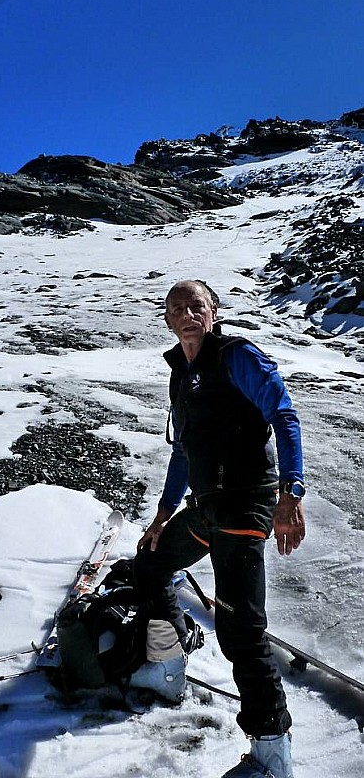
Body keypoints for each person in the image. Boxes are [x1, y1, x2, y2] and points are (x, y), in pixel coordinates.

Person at [134, 279, 306, 778]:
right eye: (177, 308)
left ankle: (272, 754)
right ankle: (168, 667)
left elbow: (284, 415)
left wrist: (291, 495)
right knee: (151, 562)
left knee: (240, 631)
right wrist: (163, 514)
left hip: (245, 505)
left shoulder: (237, 356)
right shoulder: (181, 372)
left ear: (214, 311)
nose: (187, 314)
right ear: (167, 319)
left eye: (196, 306)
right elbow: (183, 451)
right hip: (208, 507)